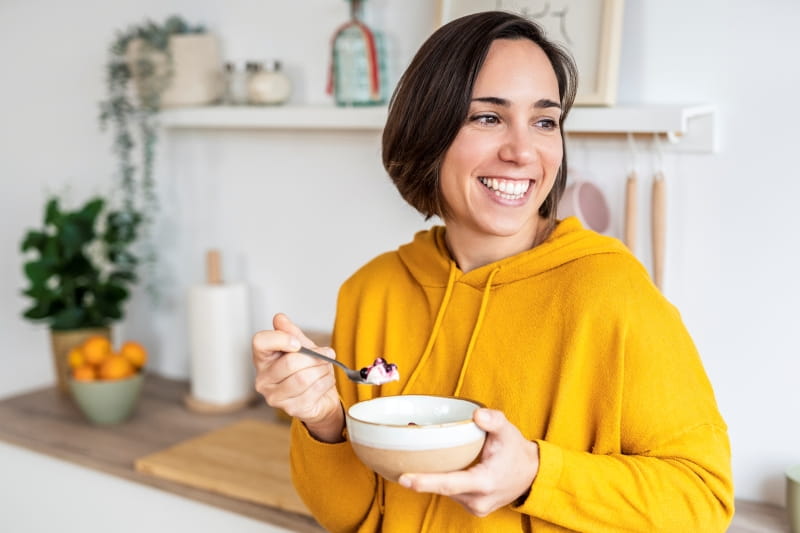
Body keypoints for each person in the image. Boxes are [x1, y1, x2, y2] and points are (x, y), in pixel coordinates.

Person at [252, 10, 734, 532]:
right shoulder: (372, 291)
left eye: (544, 121)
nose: (523, 151)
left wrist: (533, 474)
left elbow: (702, 502)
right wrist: (324, 422)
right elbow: (347, 515)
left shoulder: (611, 293)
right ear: (428, 130)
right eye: (488, 117)